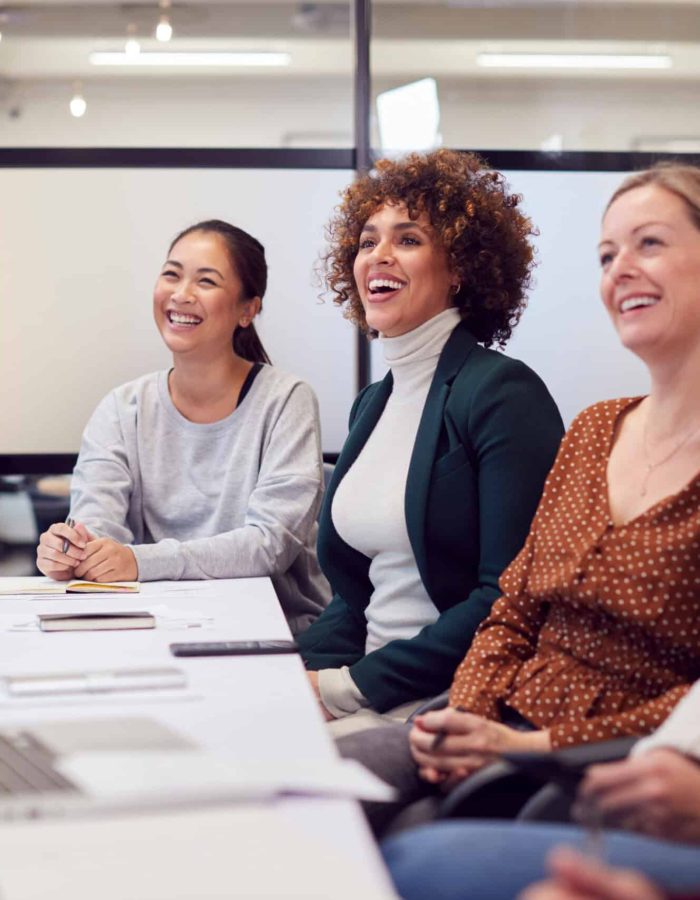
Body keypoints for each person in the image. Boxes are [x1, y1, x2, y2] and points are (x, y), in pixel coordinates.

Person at [338, 162, 700, 823]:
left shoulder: (500, 392)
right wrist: (468, 716)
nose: (619, 269)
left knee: (395, 847)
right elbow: (512, 609)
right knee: (304, 792)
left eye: (648, 243)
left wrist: (526, 745)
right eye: (606, 254)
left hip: (600, 761)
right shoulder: (595, 430)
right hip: (489, 717)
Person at [297, 149, 564, 736]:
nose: (379, 256)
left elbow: (507, 598)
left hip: (449, 702)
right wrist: (289, 668)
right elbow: (357, 595)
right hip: (367, 687)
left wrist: (347, 687)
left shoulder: (501, 393)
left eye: (408, 238)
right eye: (367, 242)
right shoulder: (375, 401)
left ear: (462, 267)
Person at [35, 219, 328, 634]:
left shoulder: (285, 400)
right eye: (171, 274)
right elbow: (96, 524)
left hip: (274, 632)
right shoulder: (122, 408)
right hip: (150, 625)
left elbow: (269, 545)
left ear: (249, 309)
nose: (181, 294)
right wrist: (73, 551)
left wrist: (137, 561)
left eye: (206, 281)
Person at [382, 680, 700, 900]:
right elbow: (507, 619)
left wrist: (526, 745)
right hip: (506, 710)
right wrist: (466, 716)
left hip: (580, 735)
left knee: (419, 861)